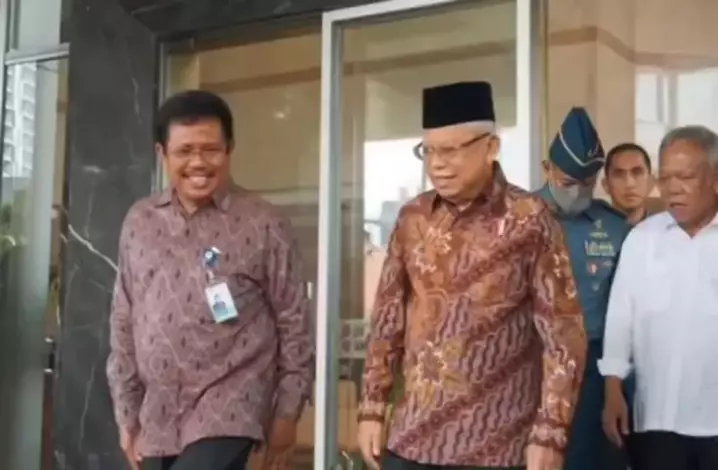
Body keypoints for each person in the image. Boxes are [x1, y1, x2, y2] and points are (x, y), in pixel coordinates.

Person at [357, 81, 587, 470]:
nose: (436, 164)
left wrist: (551, 431)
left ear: (491, 147)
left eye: (450, 150)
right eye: (428, 151)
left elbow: (563, 334)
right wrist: (372, 405)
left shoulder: (530, 219)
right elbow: (387, 318)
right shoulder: (413, 218)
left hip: (498, 446)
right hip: (412, 441)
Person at [106, 90, 313, 470]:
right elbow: (123, 318)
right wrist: (126, 411)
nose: (198, 162)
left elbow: (294, 320)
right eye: (184, 151)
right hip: (159, 412)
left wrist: (287, 411)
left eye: (211, 150)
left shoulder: (264, 223)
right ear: (162, 153)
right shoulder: (140, 221)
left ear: (229, 149)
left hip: (231, 405)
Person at [600, 125, 718, 470]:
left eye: (685, 177)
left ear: (715, 178)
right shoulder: (642, 239)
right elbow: (620, 318)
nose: (672, 188)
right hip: (656, 418)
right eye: (665, 178)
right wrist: (612, 390)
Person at [535, 108, 632, 470]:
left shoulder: (614, 227)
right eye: (568, 182)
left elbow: (626, 306)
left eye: (588, 183)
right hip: (532, 364)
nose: (578, 192)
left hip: (592, 369)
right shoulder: (515, 219)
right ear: (547, 169)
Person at [601, 143, 655, 224]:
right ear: (606, 185)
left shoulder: (667, 230)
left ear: (651, 182)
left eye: (637, 172)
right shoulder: (588, 229)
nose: (629, 184)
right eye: (619, 175)